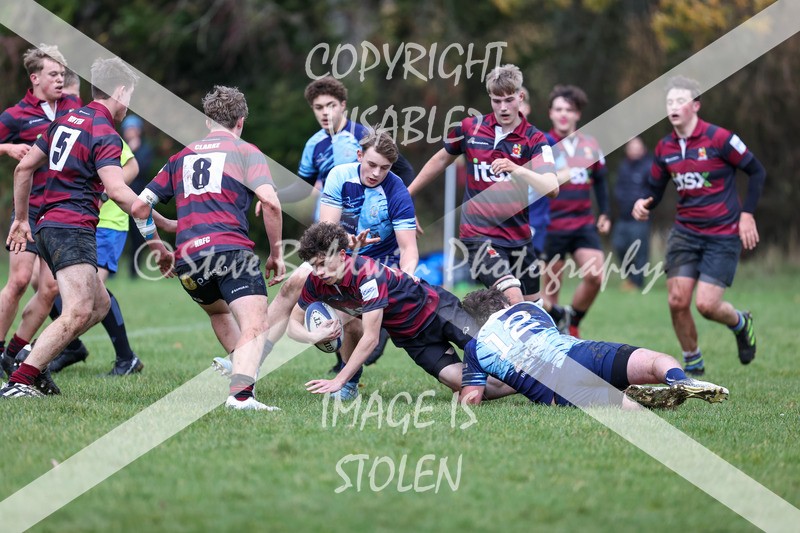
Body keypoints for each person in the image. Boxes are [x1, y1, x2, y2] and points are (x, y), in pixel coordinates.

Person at [1, 57, 173, 399]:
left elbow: (24, 170)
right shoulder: (104, 131)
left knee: (99, 305)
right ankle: (21, 378)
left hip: (47, 224)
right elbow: (119, 192)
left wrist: (22, 219)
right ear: (120, 92)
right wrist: (156, 242)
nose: (128, 105)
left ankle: (35, 362)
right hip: (71, 227)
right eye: (130, 97)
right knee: (79, 308)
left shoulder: (66, 119)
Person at [214, 131, 418, 399]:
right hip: (337, 254)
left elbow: (408, 248)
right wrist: (347, 243)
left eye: (384, 168)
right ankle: (250, 358)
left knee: (350, 320)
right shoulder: (339, 176)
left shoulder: (397, 190)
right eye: (371, 164)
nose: (376, 173)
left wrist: (408, 275)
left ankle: (348, 384)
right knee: (294, 283)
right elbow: (326, 233)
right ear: (359, 156)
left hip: (379, 265)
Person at [142, 85, 285, 411]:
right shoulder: (246, 151)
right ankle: (241, 396)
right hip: (230, 252)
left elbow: (139, 205)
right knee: (255, 323)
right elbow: (271, 204)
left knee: (219, 311)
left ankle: (242, 378)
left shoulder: (181, 157)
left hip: (189, 259)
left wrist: (159, 242)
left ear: (207, 121)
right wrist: (276, 253)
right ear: (241, 121)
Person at [287, 222, 515, 400]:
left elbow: (371, 338)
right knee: (472, 389)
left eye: (323, 263)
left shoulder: (367, 275)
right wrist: (312, 336)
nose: (318, 271)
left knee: (495, 357)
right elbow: (292, 326)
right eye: (314, 265)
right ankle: (523, 385)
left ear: (342, 255)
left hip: (437, 311)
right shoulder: (316, 282)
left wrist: (340, 380)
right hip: (412, 338)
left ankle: (539, 375)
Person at [632, 76, 765, 376]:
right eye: (669, 102)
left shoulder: (719, 139)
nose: (673, 107)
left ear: (695, 106)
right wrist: (644, 204)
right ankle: (693, 363)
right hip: (685, 233)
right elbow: (655, 187)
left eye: (680, 101)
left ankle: (740, 323)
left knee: (706, 305)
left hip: (722, 235)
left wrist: (748, 214)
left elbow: (756, 171)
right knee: (677, 300)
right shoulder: (665, 146)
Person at [408, 64, 558, 306]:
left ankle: (491, 337)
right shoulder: (470, 128)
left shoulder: (535, 139)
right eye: (496, 100)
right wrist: (406, 195)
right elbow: (440, 159)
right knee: (513, 297)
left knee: (535, 310)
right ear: (490, 98)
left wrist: (516, 168)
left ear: (520, 97)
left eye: (509, 100)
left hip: (519, 238)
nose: (503, 107)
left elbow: (552, 187)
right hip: (478, 236)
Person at [459, 288, 729, 409]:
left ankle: (643, 402)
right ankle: (680, 379)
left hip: (557, 389)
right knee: (654, 359)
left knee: (624, 406)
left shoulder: (476, 346)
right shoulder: (529, 308)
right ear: (505, 305)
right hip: (583, 352)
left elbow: (472, 399)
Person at [0, 44, 82, 377]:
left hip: (59, 212)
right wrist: (6, 147)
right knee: (19, 280)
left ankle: (13, 353)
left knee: (49, 289)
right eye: (53, 74)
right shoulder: (16, 115)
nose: (60, 80)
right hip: (29, 211)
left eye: (63, 74)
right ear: (35, 78)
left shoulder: (72, 107)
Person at [541, 85, 611, 338]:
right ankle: (553, 337)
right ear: (550, 113)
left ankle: (572, 317)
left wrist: (604, 213)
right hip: (552, 224)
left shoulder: (590, 145)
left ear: (577, 114)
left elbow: (601, 180)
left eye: (569, 110)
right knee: (550, 293)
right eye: (558, 109)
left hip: (583, 223)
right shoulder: (543, 144)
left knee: (595, 276)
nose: (563, 114)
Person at [612, 137, 653, 290]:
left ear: (643, 149)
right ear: (627, 150)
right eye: (631, 148)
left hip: (640, 218)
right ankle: (631, 278)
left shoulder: (649, 166)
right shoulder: (624, 167)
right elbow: (619, 188)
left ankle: (638, 283)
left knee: (640, 250)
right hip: (623, 216)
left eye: (637, 147)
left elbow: (652, 191)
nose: (634, 150)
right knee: (619, 245)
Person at [120, 114, 154, 278]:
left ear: (139, 131)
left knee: (137, 235)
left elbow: (142, 168)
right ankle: (111, 272)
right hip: (118, 196)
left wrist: (133, 150)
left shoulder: (145, 148)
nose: (130, 132)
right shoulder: (118, 146)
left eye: (133, 128)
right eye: (128, 129)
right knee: (119, 234)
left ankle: (134, 272)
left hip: (138, 196)